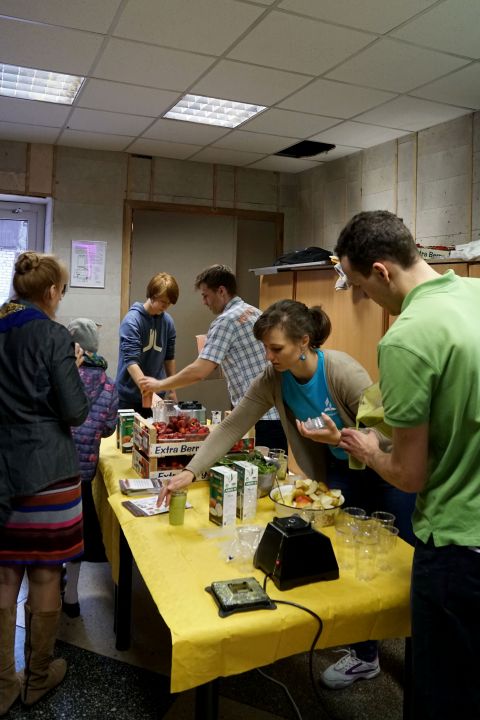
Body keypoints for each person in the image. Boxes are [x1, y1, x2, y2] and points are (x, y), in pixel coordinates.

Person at [157, 298, 414, 686]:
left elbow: (388, 431)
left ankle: (422, 654)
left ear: (304, 341)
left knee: (402, 560)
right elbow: (232, 426)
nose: (269, 356)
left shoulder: (341, 371)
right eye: (265, 348)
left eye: (275, 348)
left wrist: (341, 437)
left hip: (385, 471)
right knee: (350, 556)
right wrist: (191, 471)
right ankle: (365, 655)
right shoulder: (274, 378)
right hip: (342, 473)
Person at [334, 210, 480, 720]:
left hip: (457, 546)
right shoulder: (475, 294)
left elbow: (409, 475)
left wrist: (369, 450)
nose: (364, 297)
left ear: (382, 271)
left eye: (359, 286)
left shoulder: (405, 339)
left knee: (442, 694)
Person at [0, 252, 89, 714]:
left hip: (2, 472)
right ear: (51, 291)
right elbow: (75, 411)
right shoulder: (55, 336)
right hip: (49, 473)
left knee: (3, 574)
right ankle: (37, 678)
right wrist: (72, 365)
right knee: (45, 572)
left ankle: (2, 685)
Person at [139, 264, 286, 450]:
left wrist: (160, 384)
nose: (204, 302)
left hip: (259, 418)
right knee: (276, 466)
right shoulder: (255, 312)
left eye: (205, 295)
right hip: (277, 413)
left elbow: (199, 372)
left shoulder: (225, 321)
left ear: (221, 291)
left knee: (257, 466)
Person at [62, 318, 118, 618]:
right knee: (76, 532)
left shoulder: (64, 376)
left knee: (54, 529)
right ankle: (72, 597)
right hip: (84, 472)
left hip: (56, 467)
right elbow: (109, 428)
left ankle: (51, 584)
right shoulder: (109, 384)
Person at [116, 272, 179, 417]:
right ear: (152, 295)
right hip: (129, 396)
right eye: (163, 301)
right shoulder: (132, 321)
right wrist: (147, 391)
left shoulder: (168, 322)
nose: (166, 306)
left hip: (157, 394)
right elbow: (131, 362)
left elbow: (169, 357)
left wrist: (172, 389)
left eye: (169, 303)